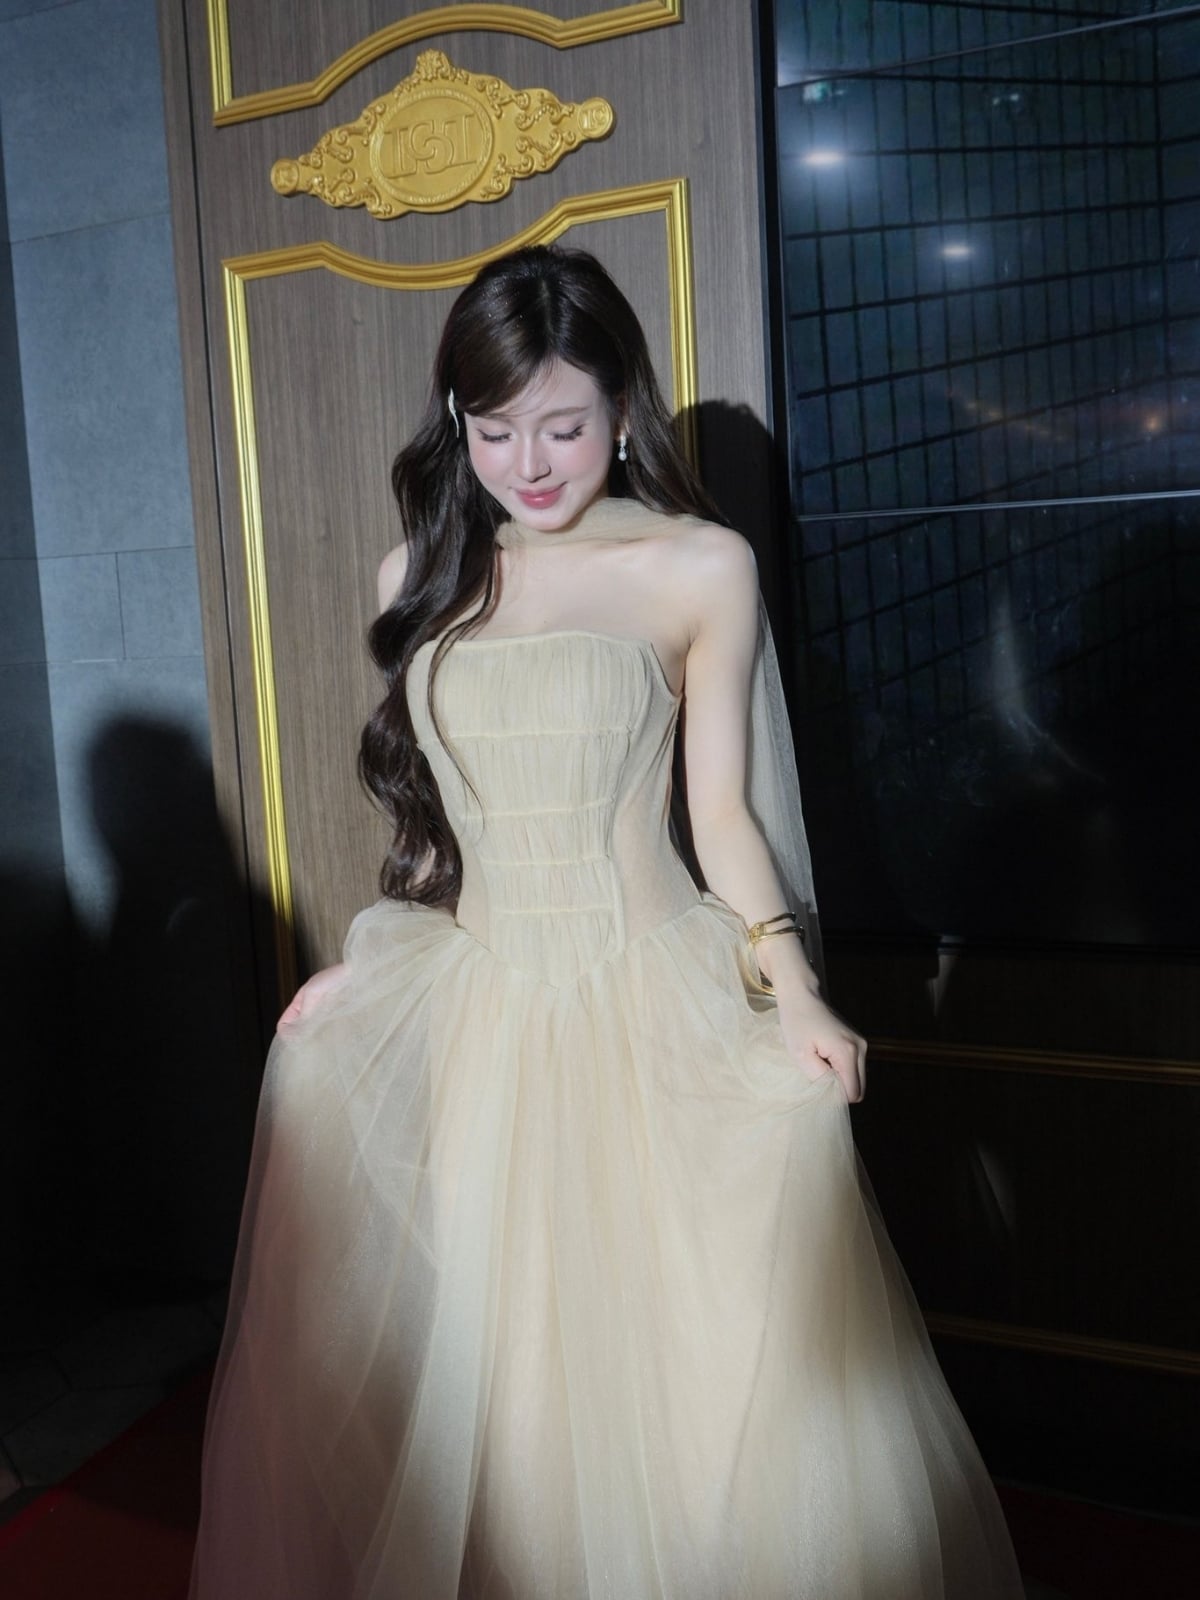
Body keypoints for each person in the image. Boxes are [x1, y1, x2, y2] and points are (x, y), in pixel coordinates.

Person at [189, 245, 1023, 1599]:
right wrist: (365, 969)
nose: (529, 463)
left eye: (563, 428)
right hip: (485, 1014)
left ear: (624, 409)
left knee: (686, 1373)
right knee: (506, 1387)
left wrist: (796, 991)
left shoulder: (699, 564)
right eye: (495, 429)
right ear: (458, 421)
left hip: (648, 1001)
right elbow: (444, 829)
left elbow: (726, 816)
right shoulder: (421, 569)